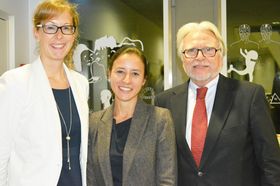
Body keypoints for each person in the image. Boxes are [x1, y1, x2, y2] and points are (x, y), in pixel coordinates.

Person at [155, 21, 280, 186]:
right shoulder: (164, 102)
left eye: (209, 50)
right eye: (191, 50)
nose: (200, 57)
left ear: (221, 55)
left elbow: (270, 162)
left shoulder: (249, 96)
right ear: (182, 59)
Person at [0, 0, 89, 185]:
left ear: (74, 35)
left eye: (66, 28)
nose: (59, 36)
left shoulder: (80, 84)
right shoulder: (14, 83)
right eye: (50, 27)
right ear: (36, 32)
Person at [87, 46, 177, 186]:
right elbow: (90, 178)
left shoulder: (160, 119)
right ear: (109, 74)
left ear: (143, 80)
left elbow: (167, 180)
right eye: (120, 72)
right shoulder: (94, 122)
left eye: (135, 73)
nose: (126, 80)